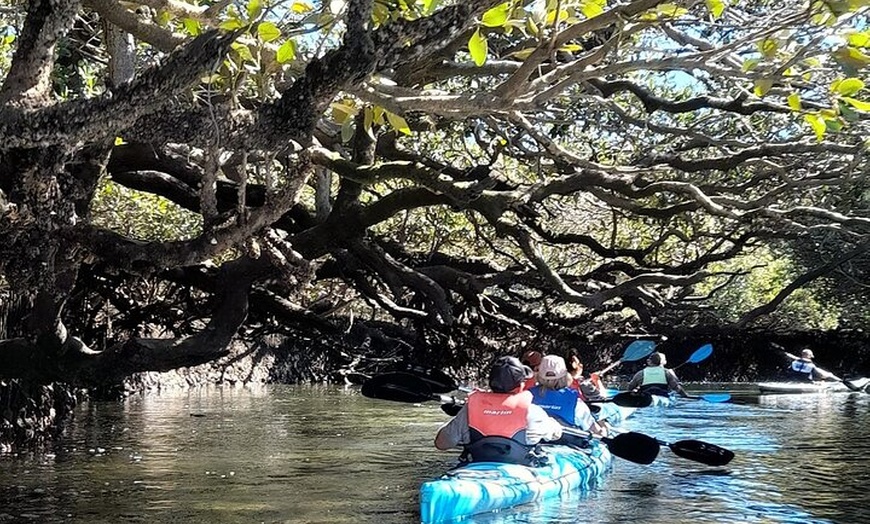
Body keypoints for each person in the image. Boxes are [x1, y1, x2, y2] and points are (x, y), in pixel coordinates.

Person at [434, 356, 563, 464]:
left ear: (490, 384)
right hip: (518, 471)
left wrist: (458, 418)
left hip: (477, 466)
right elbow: (556, 434)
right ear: (520, 386)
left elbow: (441, 444)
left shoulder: (469, 410)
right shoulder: (533, 412)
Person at [529, 355, 606, 437]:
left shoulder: (526, 396)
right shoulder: (575, 402)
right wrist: (604, 429)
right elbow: (596, 432)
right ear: (565, 376)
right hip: (565, 445)